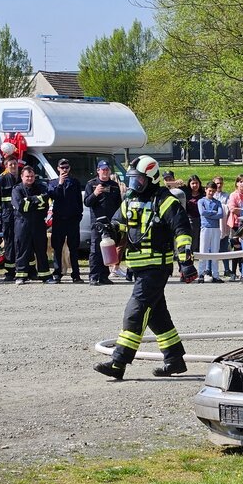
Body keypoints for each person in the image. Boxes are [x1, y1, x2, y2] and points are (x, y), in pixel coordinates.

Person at [94, 155, 196, 379]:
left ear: (151, 178)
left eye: (138, 180)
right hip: (139, 267)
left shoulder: (166, 201)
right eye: (132, 180)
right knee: (157, 316)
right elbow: (119, 222)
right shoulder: (130, 199)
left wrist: (186, 263)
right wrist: (109, 229)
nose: (134, 185)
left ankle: (119, 362)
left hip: (156, 267)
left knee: (135, 311)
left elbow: (182, 231)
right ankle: (175, 360)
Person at [11, 165, 52, 284]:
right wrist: (36, 201)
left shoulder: (40, 187)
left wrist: (29, 200)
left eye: (32, 176)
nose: (30, 178)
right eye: (27, 176)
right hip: (22, 224)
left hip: (38, 224)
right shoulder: (16, 189)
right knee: (22, 250)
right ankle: (21, 276)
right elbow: (20, 206)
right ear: (22, 177)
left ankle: (45, 275)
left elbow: (45, 202)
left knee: (41, 249)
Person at [84, 160, 123, 286]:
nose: (105, 171)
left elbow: (119, 205)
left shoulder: (114, 185)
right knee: (95, 250)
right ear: (98, 171)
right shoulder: (92, 184)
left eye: (107, 169)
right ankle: (94, 276)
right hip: (97, 223)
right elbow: (87, 202)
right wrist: (95, 193)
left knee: (108, 249)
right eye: (103, 169)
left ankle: (104, 276)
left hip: (110, 222)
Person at [47, 158, 83, 283]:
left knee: (73, 248)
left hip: (72, 220)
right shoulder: (52, 183)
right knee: (57, 247)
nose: (64, 170)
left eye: (66, 167)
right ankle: (57, 273)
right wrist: (60, 183)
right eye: (62, 167)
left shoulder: (75, 182)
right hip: (59, 220)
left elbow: (79, 201)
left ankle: (76, 274)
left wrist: (79, 216)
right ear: (58, 169)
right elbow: (54, 196)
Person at [0, 156, 21, 281]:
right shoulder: (2, 180)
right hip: (7, 215)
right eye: (10, 164)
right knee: (9, 243)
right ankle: (10, 271)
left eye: (15, 164)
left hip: (21, 215)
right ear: (6, 166)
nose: (13, 166)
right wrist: (0, 215)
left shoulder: (23, 178)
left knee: (22, 242)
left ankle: (25, 269)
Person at [197, 181, 224, 283]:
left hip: (215, 228)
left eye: (213, 191)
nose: (211, 193)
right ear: (206, 190)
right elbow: (202, 212)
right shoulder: (201, 201)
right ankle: (201, 273)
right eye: (209, 191)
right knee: (203, 251)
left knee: (215, 251)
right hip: (205, 227)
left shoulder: (217, 202)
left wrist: (210, 214)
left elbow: (221, 215)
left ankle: (215, 274)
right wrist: (214, 212)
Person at [211, 176, 233, 280]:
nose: (219, 185)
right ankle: (210, 269)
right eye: (217, 183)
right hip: (213, 225)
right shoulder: (211, 195)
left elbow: (228, 208)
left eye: (220, 183)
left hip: (223, 225)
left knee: (224, 248)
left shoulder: (226, 196)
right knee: (212, 249)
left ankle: (227, 269)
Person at [182, 175, 205, 256]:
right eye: (193, 183)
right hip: (190, 219)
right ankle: (191, 253)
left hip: (201, 219)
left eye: (196, 183)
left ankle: (199, 252)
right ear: (189, 184)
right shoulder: (186, 193)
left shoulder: (203, 194)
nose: (195, 185)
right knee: (192, 238)